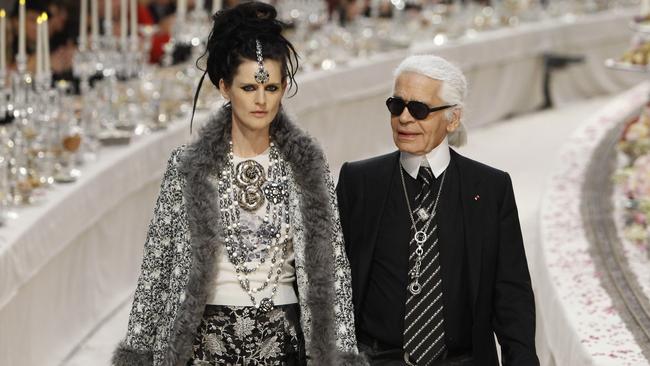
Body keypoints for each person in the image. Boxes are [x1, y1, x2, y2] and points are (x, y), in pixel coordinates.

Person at [112, 2, 366, 365]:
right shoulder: (189, 167)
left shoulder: (306, 166)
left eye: (272, 87)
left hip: (284, 343)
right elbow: (158, 264)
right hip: (202, 344)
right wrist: (139, 351)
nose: (261, 100)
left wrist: (341, 354)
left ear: (284, 88)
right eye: (249, 87)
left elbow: (332, 267)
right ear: (224, 87)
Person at [336, 55, 539, 366]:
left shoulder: (490, 187)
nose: (404, 118)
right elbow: (331, 282)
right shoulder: (359, 181)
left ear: (453, 118)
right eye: (396, 106)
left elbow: (511, 292)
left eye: (418, 109)